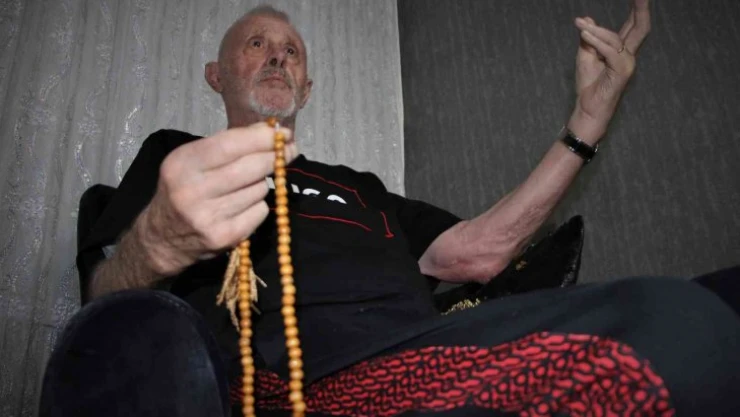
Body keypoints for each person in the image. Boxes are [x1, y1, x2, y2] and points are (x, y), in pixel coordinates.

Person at [40, 2, 740, 416]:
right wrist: (158, 241)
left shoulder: (362, 186)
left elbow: (481, 252)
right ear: (216, 76)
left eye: (291, 51)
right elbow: (104, 306)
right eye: (257, 44)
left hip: (431, 349)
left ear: (307, 87)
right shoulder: (173, 158)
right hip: (298, 380)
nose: (278, 57)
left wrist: (586, 122)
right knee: (682, 333)